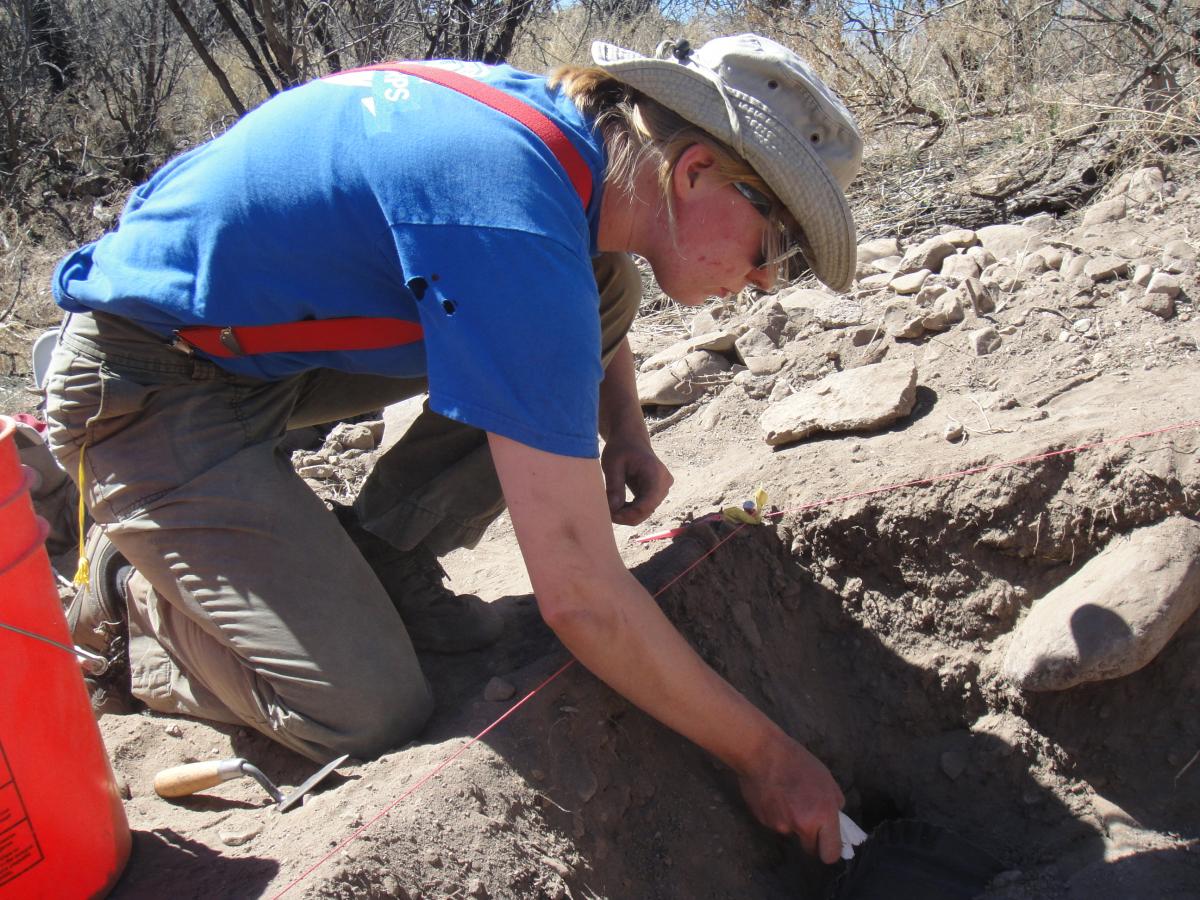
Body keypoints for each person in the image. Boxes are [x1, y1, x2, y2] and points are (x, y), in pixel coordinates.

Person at [43, 34, 863, 862]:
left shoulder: (561, 157)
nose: (766, 281)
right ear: (693, 172)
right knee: (366, 710)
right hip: (142, 383)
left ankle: (380, 560)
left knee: (601, 281)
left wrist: (626, 429)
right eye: (777, 249)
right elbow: (580, 596)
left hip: (259, 349)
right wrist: (767, 756)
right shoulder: (503, 209)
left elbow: (570, 293)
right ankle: (127, 595)